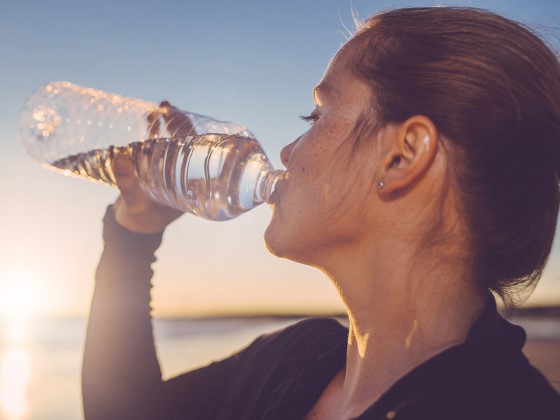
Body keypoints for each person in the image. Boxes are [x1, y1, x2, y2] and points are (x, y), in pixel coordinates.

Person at [82, 6, 560, 419]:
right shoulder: (293, 358)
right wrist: (132, 236)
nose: (287, 151)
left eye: (316, 116)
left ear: (403, 156)